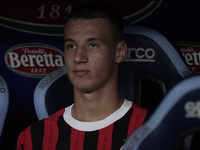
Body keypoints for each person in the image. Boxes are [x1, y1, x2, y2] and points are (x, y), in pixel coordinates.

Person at [16, 2, 149, 150]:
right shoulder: (34, 138)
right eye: (71, 46)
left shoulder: (152, 132)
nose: (78, 57)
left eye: (93, 45)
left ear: (119, 52)